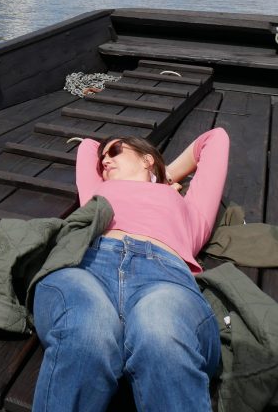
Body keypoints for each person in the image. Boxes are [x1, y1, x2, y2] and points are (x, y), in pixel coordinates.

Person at [31, 127, 230, 412]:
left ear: (147, 158)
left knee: (161, 331)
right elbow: (87, 146)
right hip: (88, 265)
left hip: (163, 278)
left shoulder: (190, 211)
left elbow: (216, 139)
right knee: (87, 331)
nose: (105, 161)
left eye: (114, 151)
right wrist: (141, 172)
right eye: (104, 161)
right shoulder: (97, 193)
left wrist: (162, 177)